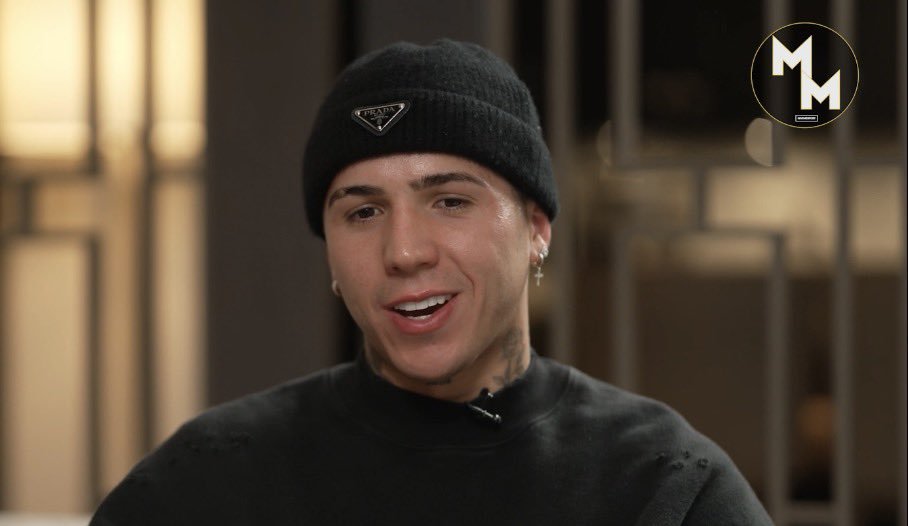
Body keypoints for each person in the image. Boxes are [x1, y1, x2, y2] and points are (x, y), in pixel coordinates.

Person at [90, 39, 773, 525]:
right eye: (363, 212)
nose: (405, 251)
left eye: (449, 201)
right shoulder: (209, 481)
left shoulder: (661, 485)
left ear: (537, 227)